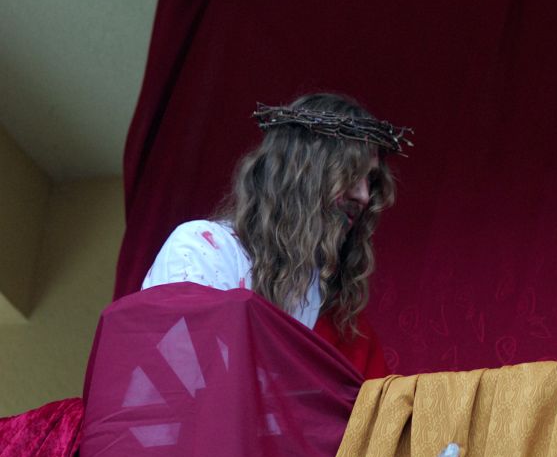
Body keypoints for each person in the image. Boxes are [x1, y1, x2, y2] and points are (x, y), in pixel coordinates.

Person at [141, 92, 409, 376]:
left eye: (370, 179)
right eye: (350, 172)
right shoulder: (202, 249)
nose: (364, 195)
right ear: (300, 173)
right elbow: (179, 386)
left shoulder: (341, 318)